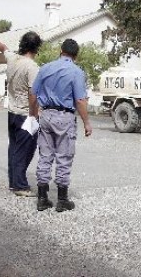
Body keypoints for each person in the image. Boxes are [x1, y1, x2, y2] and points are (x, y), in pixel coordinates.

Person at [31, 38, 92, 212]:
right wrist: (86, 122)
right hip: (64, 116)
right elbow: (80, 100)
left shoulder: (45, 68)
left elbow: (33, 94)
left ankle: (42, 198)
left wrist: (33, 114)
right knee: (64, 157)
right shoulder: (76, 72)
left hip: (46, 114)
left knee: (45, 156)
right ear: (76, 55)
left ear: (61, 51)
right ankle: (62, 200)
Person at [0, 31, 42, 197]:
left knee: (14, 147)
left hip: (12, 112)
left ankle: (13, 181)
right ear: (36, 48)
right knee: (25, 150)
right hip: (26, 114)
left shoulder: (12, 58)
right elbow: (33, 94)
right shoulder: (32, 67)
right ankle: (20, 185)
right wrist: (34, 115)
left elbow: (3, 48)